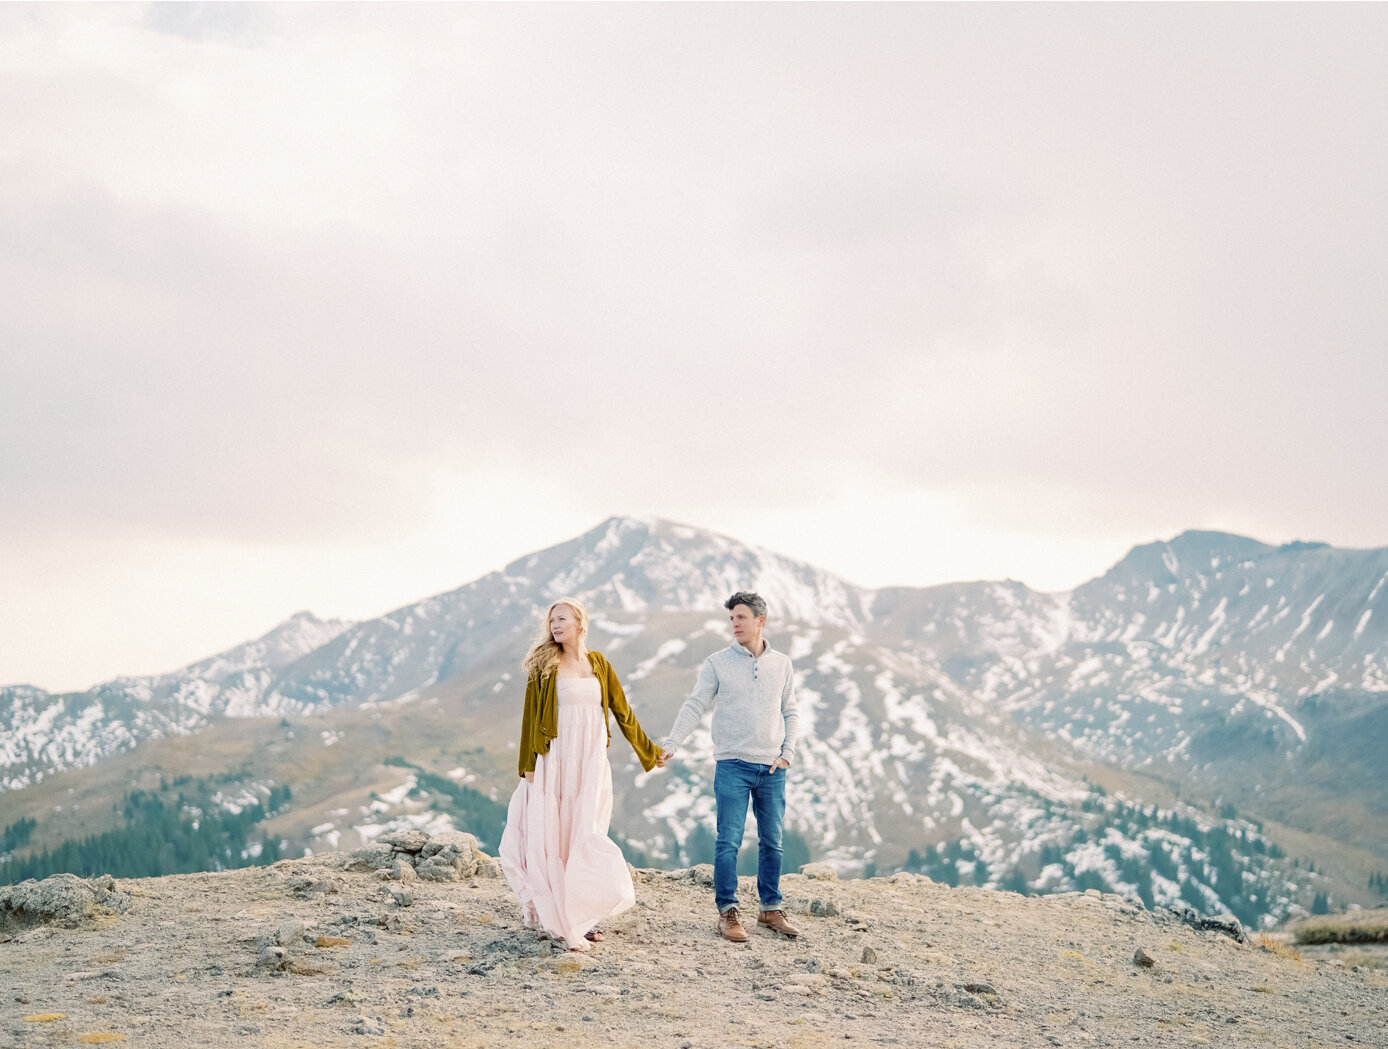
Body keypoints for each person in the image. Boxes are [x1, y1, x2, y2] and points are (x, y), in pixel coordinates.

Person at [499, 597, 663, 951]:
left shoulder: (599, 663)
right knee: (554, 836)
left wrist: (648, 751)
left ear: (580, 623)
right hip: (555, 758)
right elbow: (530, 717)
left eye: (562, 619)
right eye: (552, 621)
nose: (555, 626)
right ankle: (560, 913)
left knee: (584, 832)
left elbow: (621, 710)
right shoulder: (545, 664)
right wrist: (528, 767)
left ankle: (581, 911)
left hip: (588, 760)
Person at [658, 591, 801, 943]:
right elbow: (694, 705)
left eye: (741, 617)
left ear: (760, 621)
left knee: (773, 841)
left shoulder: (782, 663)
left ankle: (770, 908)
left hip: (772, 768)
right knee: (729, 842)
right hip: (732, 765)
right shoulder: (716, 663)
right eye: (732, 619)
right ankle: (728, 912)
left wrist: (788, 752)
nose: (735, 624)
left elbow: (791, 710)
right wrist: (672, 743)